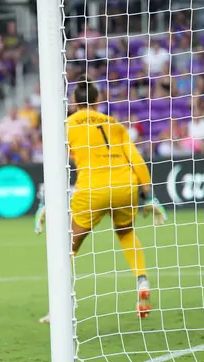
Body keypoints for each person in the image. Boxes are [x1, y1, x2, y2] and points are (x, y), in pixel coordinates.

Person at [35, 77, 167, 324]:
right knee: (126, 234)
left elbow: (57, 163)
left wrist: (47, 200)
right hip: (125, 185)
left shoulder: (67, 124)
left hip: (92, 189)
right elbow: (136, 160)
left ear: (74, 102)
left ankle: (60, 308)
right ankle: (141, 278)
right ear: (97, 100)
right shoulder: (114, 123)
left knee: (67, 246)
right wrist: (149, 195)